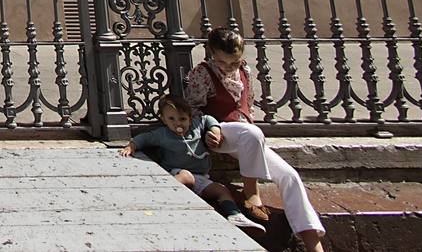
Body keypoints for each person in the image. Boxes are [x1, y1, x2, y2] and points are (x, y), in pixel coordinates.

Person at [186, 26, 326, 252]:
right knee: (252, 133)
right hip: (219, 131)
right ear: (212, 54)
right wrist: (212, 129)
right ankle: (251, 191)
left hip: (247, 136)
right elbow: (193, 109)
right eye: (222, 62)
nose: (229, 67)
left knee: (289, 175)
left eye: (234, 62)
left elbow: (247, 103)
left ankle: (313, 241)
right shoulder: (202, 73)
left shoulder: (245, 71)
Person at [121, 94, 266, 238]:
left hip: (201, 177)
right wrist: (132, 146)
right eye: (171, 119)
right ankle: (163, 195)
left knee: (221, 190)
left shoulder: (196, 127)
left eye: (182, 119)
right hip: (178, 172)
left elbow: (208, 119)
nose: (178, 123)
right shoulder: (163, 135)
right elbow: (145, 138)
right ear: (164, 119)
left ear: (190, 119)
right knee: (186, 177)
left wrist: (215, 130)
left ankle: (235, 215)